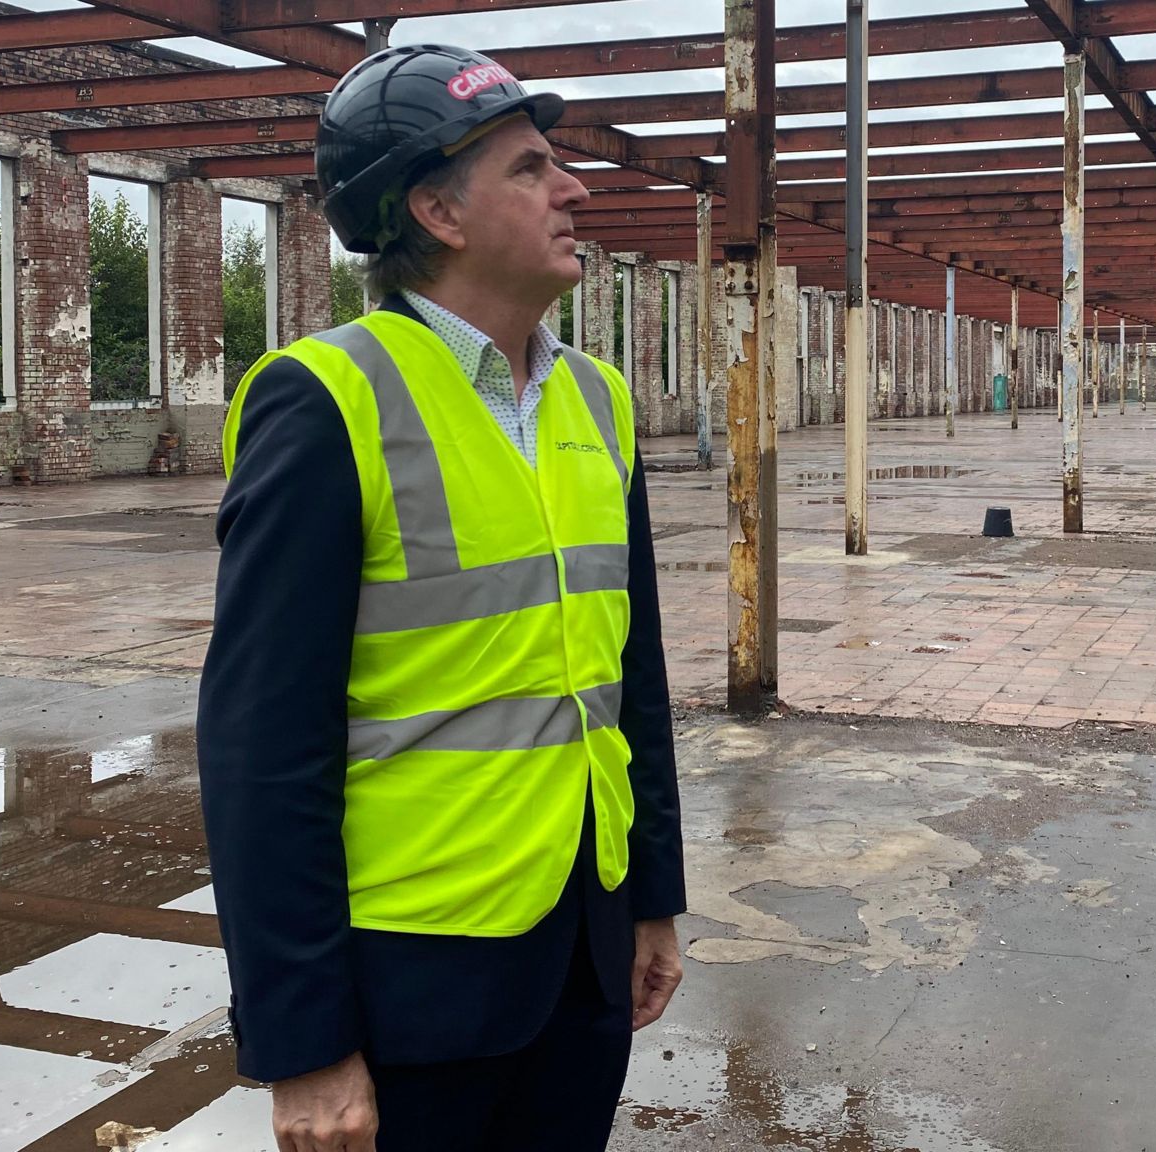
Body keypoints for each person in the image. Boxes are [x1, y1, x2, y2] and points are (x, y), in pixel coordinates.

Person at [196, 43, 686, 1152]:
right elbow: (260, 746)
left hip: (582, 951)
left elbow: (628, 677)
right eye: (529, 168)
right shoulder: (327, 400)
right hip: (410, 976)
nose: (573, 190)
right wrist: (301, 1044)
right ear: (436, 210)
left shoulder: (598, 401)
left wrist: (650, 894)